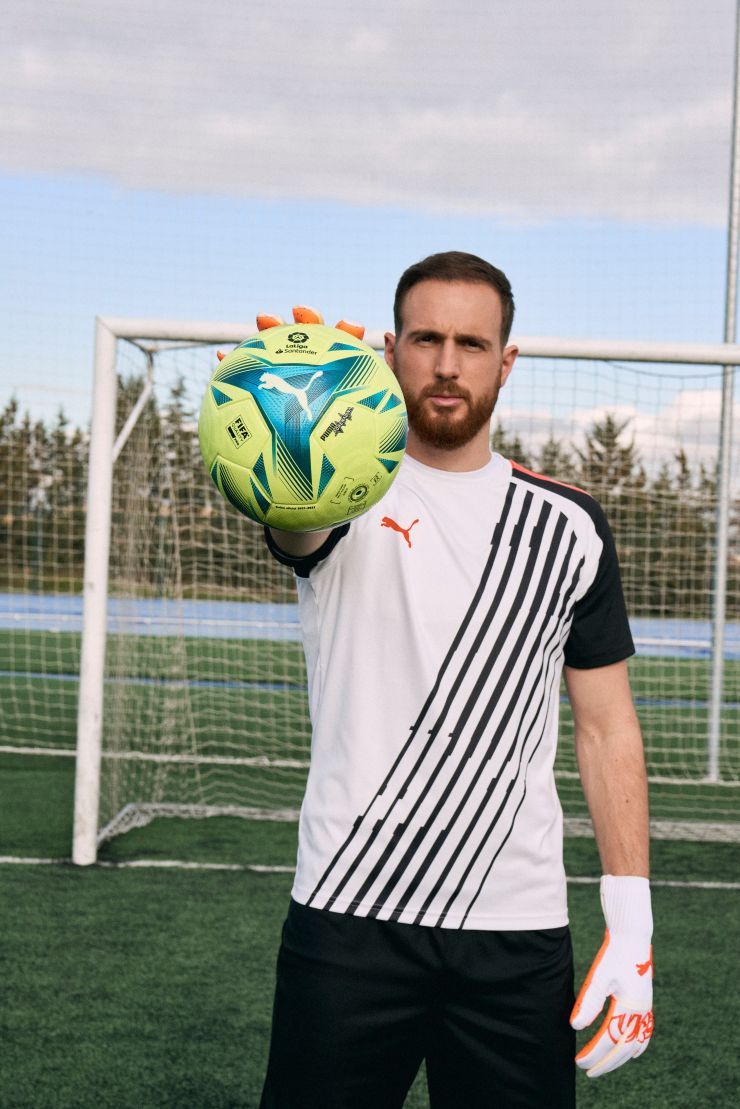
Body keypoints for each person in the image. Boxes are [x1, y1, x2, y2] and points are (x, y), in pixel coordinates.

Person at [259, 252, 653, 1108]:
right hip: (348, 913)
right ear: (391, 350)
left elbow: (606, 724)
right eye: (426, 339)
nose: (446, 364)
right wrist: (291, 418)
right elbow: (293, 519)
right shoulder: (340, 492)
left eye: (471, 344)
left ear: (505, 362)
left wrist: (633, 920)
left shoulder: (570, 525)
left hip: (514, 930)